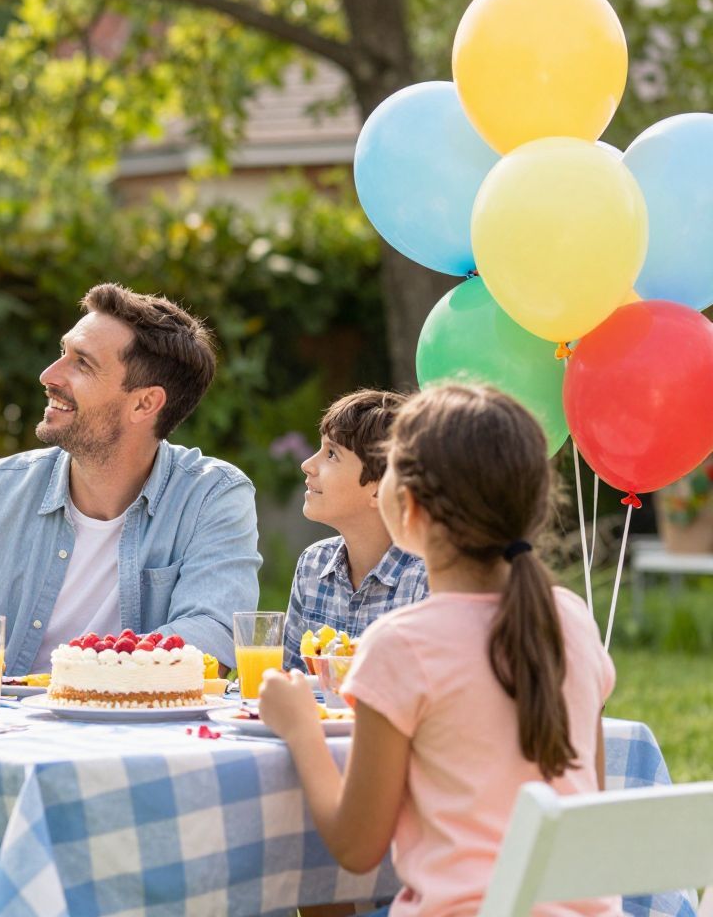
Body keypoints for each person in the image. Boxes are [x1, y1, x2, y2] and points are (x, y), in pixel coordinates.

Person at [259, 384, 617, 917]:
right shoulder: (570, 620)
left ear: (405, 505)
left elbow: (355, 851)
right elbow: (589, 804)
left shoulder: (401, 644)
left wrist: (300, 731)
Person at [0, 283, 261, 686]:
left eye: (82, 363)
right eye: (63, 353)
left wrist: (69, 675)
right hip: (1, 739)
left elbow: (208, 646)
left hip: (139, 740)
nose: (48, 375)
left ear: (144, 404)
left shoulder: (211, 497)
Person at [284, 389, 428, 673]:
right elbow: (291, 678)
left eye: (332, 454)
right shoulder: (313, 565)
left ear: (379, 489)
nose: (308, 464)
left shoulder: (424, 580)